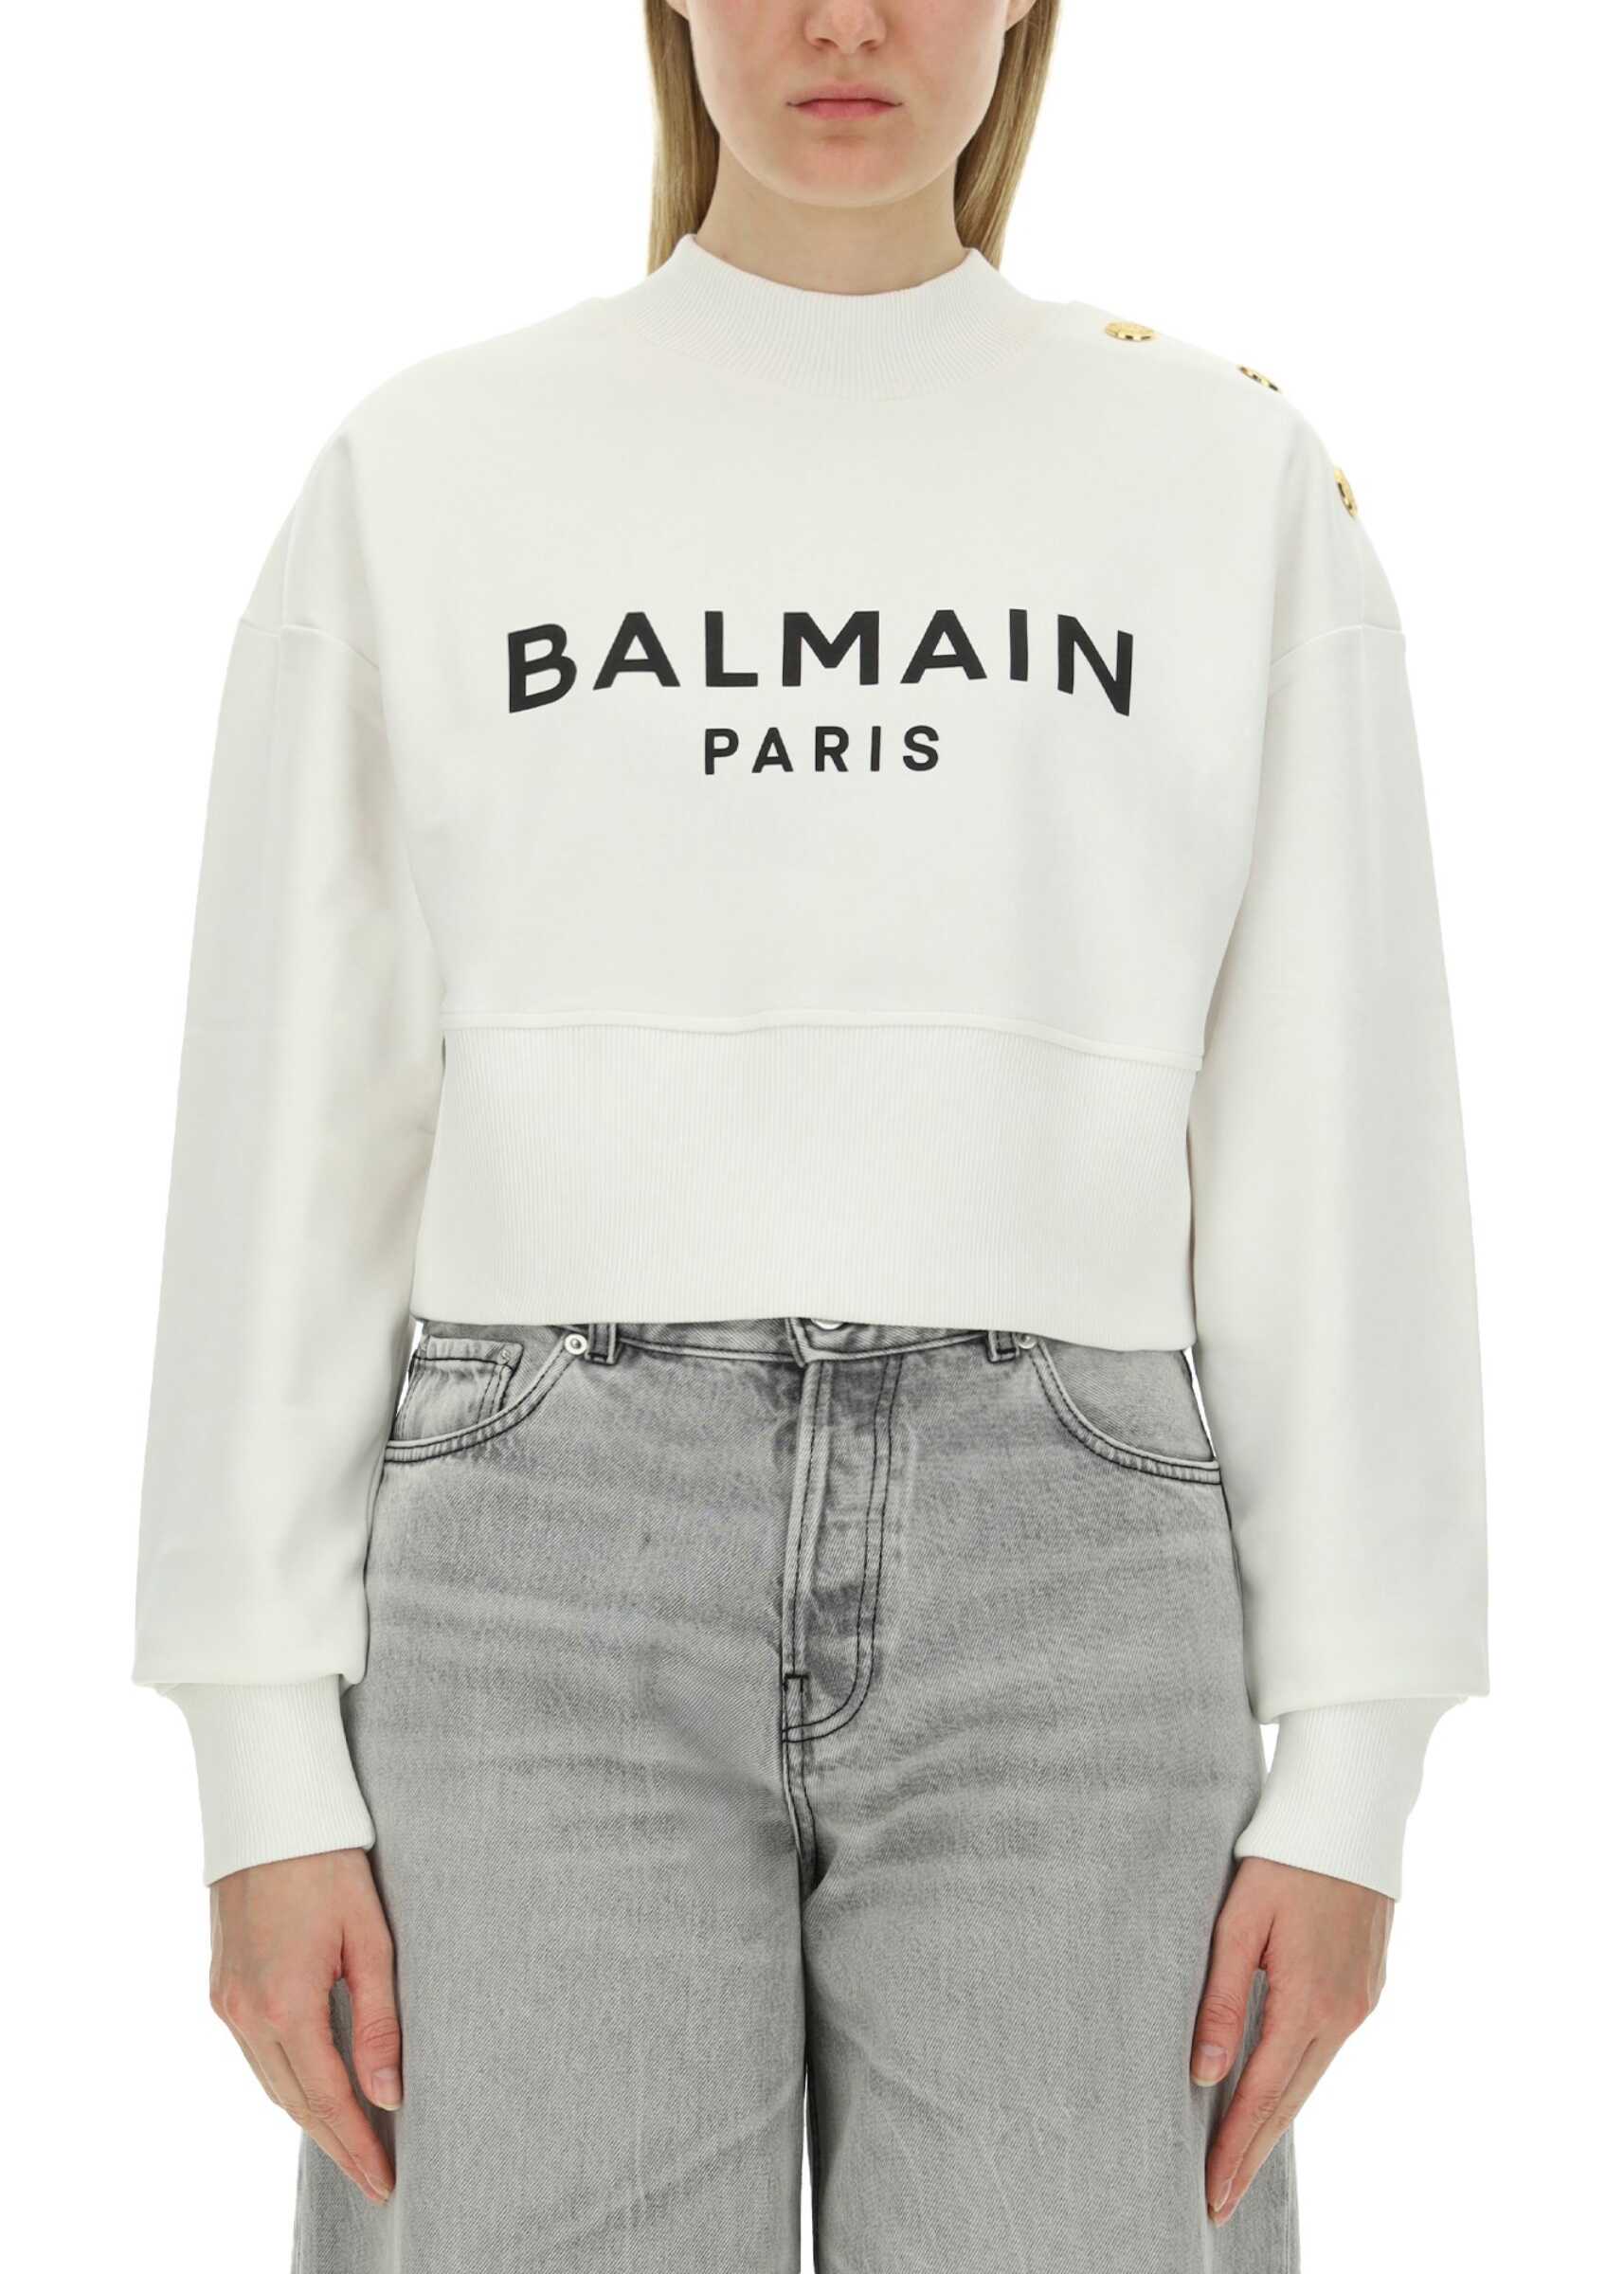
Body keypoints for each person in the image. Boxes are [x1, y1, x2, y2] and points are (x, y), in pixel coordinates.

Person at [132, 3, 1489, 2265]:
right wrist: (256, 1757)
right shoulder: (437, 464)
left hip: (1077, 1577)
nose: (840, 21)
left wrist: (1355, 1768)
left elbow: (1333, 1112)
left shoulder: (1215, 472)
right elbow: (293, 1105)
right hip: (534, 1564)